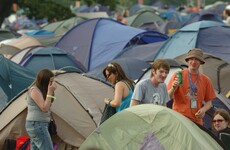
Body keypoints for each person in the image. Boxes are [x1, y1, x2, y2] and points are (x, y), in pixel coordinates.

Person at [168, 48, 216, 125]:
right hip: (179, 118)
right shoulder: (179, 75)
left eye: (197, 59)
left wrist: (203, 110)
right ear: (187, 61)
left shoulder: (206, 80)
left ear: (200, 62)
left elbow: (209, 103)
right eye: (191, 59)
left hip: (196, 121)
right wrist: (173, 88)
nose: (193, 62)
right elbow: (168, 97)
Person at [25, 69, 57, 150]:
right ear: (44, 80)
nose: (51, 84)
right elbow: (45, 108)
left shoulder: (42, 90)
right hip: (37, 124)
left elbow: (50, 103)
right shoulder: (34, 90)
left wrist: (51, 92)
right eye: (50, 81)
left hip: (38, 124)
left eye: (53, 81)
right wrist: (50, 92)